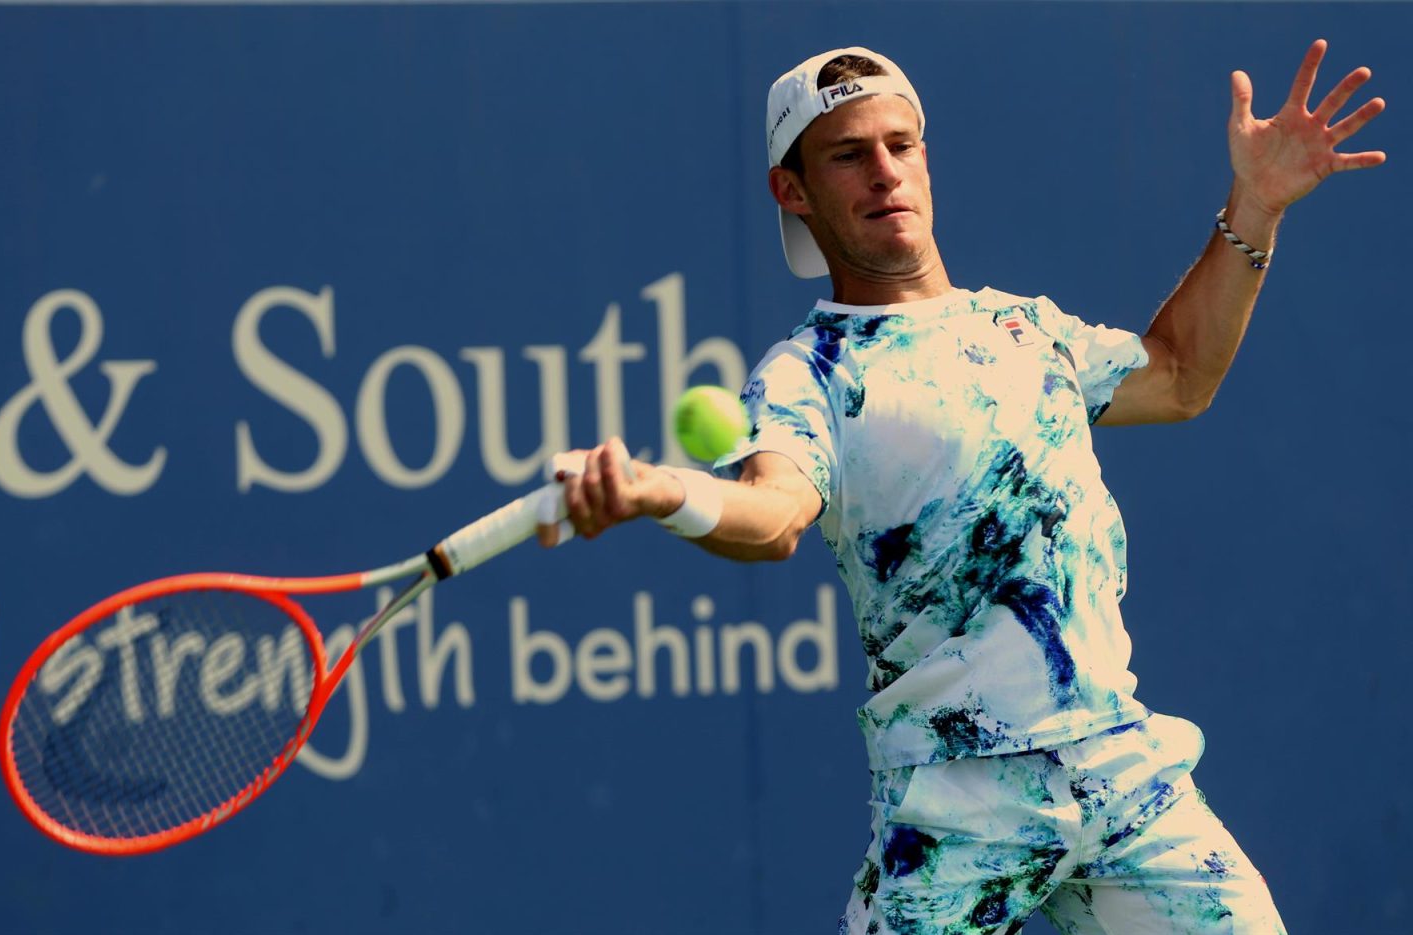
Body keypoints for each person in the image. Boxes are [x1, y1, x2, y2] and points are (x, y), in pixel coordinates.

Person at [540, 41, 1385, 934]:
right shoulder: (808, 375)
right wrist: (663, 494)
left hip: (1123, 773)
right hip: (957, 808)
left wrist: (1255, 203)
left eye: (901, 145)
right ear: (793, 192)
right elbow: (773, 512)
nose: (883, 172)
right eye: (847, 154)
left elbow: (1180, 375)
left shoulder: (1025, 329)